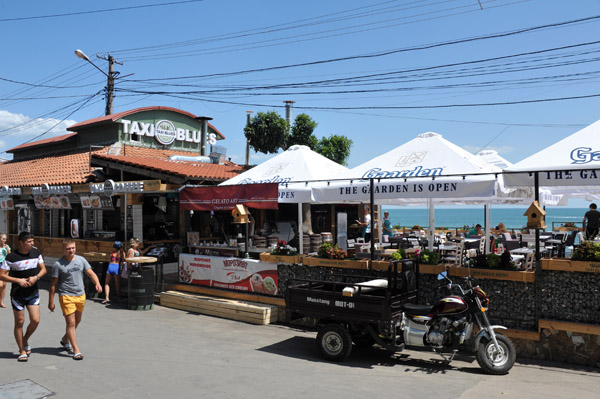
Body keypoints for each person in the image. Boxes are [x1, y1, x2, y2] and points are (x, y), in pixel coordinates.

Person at [48, 239, 102, 361]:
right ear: (63, 250)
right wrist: (51, 301)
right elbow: (53, 285)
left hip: (80, 295)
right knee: (71, 323)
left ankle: (65, 339)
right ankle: (76, 350)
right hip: (66, 296)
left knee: (77, 321)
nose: (71, 250)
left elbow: (91, 273)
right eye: (68, 249)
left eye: (73, 248)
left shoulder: (81, 260)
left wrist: (97, 283)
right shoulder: (58, 265)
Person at [0, 231, 47, 362]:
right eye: (29, 241)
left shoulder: (36, 253)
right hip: (17, 294)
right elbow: (2, 275)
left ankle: (25, 339)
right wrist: (18, 281)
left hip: (33, 293)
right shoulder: (11, 257)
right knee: (19, 322)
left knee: (35, 320)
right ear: (21, 242)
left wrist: (36, 277)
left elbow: (43, 269)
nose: (32, 243)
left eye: (32, 241)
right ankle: (21, 350)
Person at [0, 232, 11, 308]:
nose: (5, 240)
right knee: (0, 284)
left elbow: (10, 256)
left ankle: (1, 302)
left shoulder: (7, 247)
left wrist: (7, 250)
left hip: (5, 266)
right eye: (3, 239)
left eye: (5, 239)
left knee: (4, 285)